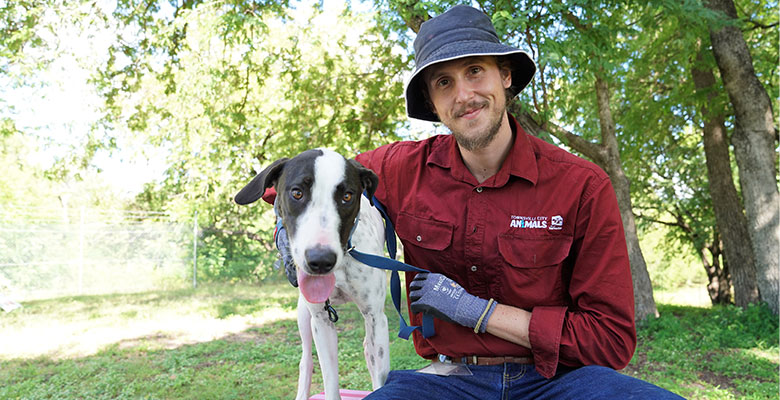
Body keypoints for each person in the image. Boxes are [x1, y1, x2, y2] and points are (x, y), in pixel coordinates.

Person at [273, 5, 684, 399]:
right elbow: (311, 181)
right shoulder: (399, 169)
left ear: (505, 75)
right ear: (432, 103)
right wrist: (289, 234)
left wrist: (478, 312)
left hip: (559, 380)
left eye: (474, 71)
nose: (464, 94)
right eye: (444, 82)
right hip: (447, 379)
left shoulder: (583, 186)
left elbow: (610, 340)